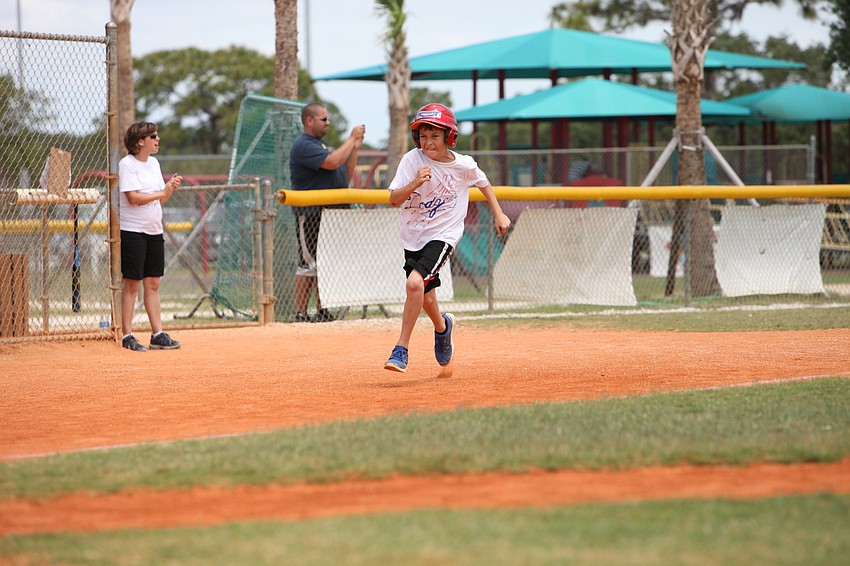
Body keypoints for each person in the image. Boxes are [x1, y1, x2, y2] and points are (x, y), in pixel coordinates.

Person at [383, 103, 511, 373]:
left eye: (435, 136)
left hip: (444, 235)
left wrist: (498, 213)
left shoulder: (462, 164)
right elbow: (394, 199)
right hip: (413, 236)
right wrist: (415, 183)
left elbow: (483, 181)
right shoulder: (412, 160)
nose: (428, 142)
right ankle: (443, 328)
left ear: (449, 137)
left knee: (414, 284)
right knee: (426, 296)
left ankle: (401, 349)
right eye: (423, 136)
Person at [289, 103, 365, 322]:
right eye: (323, 119)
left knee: (325, 265)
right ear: (309, 121)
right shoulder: (304, 145)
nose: (328, 123)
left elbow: (345, 174)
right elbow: (332, 163)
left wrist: (354, 148)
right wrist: (350, 138)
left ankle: (322, 310)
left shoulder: (324, 146)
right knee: (308, 264)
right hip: (312, 214)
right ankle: (301, 313)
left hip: (333, 215)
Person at [118, 122, 183, 352]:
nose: (157, 139)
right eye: (152, 136)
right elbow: (133, 198)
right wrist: (161, 192)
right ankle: (127, 335)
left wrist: (168, 188)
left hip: (154, 230)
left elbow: (161, 198)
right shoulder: (127, 164)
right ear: (140, 141)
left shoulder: (154, 163)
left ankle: (157, 334)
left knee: (153, 283)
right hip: (133, 231)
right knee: (132, 284)